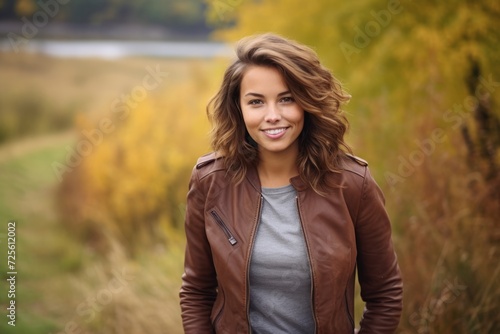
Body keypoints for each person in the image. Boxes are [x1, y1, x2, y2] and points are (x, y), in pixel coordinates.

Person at [179, 33, 403, 334]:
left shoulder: (352, 184)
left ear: (307, 102)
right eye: (256, 102)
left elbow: (385, 294)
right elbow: (196, 290)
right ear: (239, 109)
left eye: (286, 99)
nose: (273, 116)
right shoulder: (210, 182)